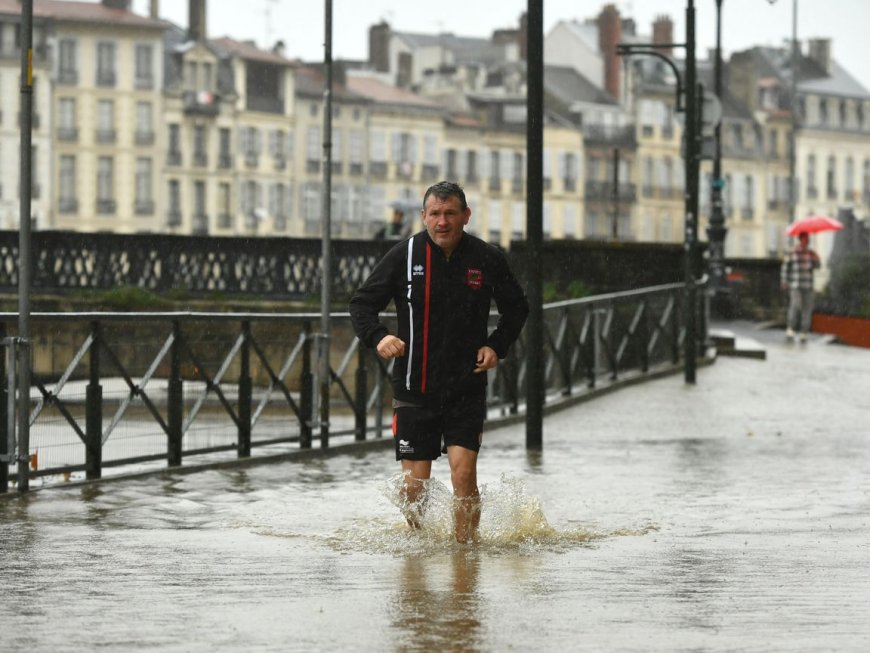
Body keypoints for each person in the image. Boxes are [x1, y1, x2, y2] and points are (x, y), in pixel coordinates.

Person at [349, 181, 529, 543]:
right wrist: (379, 336)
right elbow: (361, 304)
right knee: (415, 488)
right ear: (424, 217)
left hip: (466, 386)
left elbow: (518, 308)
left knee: (464, 476)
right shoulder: (405, 255)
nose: (442, 222)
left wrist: (496, 346)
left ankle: (464, 555)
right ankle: (422, 546)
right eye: (435, 214)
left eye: (450, 214)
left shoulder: (486, 257)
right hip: (416, 386)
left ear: (466, 216)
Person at [780, 231, 820, 342]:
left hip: (808, 285)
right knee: (795, 306)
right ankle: (791, 329)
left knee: (807, 309)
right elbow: (785, 267)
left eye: (808, 238)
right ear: (801, 239)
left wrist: (816, 258)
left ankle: (804, 332)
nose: (808, 240)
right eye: (806, 238)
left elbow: (817, 266)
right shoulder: (793, 252)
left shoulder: (811, 253)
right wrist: (784, 281)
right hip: (796, 284)